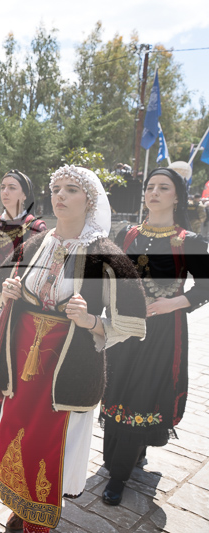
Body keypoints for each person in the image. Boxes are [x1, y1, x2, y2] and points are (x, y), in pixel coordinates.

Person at [0, 165, 146, 533]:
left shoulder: (105, 254)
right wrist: (10, 294)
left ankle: (40, 516)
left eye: (71, 189)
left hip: (68, 369)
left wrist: (90, 320)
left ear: (90, 200)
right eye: (56, 188)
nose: (60, 195)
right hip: (22, 363)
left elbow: (131, 323)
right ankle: (20, 505)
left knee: (53, 441)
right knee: (15, 431)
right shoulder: (35, 243)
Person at [101, 168, 209, 505]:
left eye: (164, 187)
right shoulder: (127, 234)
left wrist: (170, 304)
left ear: (177, 197)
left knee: (142, 394)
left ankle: (119, 475)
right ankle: (123, 456)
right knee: (116, 386)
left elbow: (205, 287)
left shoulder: (189, 241)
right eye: (150, 187)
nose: (154, 192)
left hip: (162, 332)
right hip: (123, 327)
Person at [0, 170, 46, 437]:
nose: (5, 192)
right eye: (3, 187)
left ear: (25, 193)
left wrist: (10, 284)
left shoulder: (36, 229)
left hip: (15, 302)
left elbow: (37, 267)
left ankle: (1, 421)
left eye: (12, 187)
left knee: (7, 354)